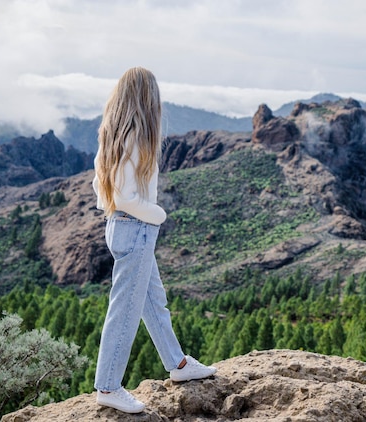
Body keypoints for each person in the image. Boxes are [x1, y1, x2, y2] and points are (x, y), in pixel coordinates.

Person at [92, 67, 216, 414]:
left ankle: (177, 365)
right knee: (126, 313)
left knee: (152, 301)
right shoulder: (132, 137)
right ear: (145, 98)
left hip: (123, 227)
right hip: (136, 228)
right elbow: (124, 193)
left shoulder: (112, 134)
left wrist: (122, 212)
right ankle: (108, 387)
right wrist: (157, 214)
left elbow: (101, 189)